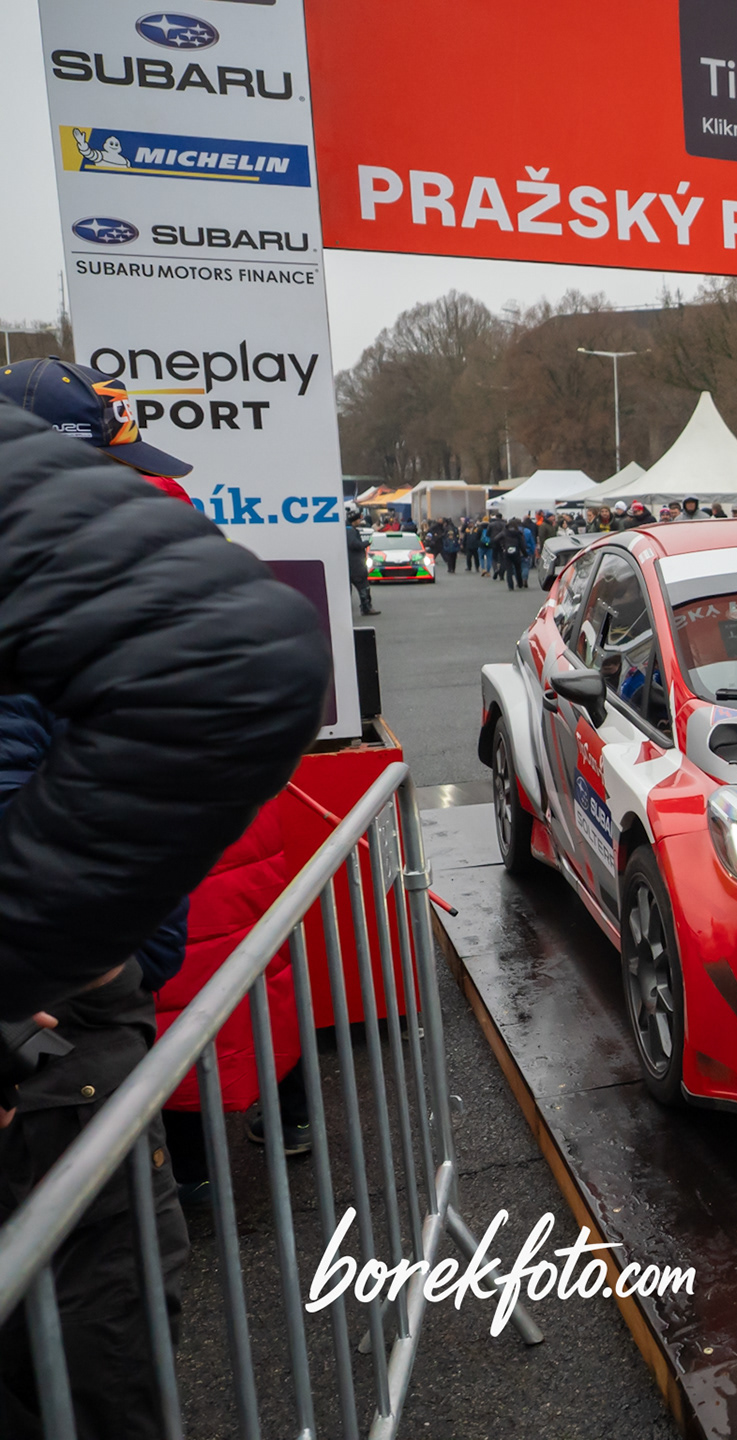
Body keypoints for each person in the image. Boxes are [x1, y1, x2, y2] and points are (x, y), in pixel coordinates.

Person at [0, 371, 330, 1440]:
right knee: (101, 1336)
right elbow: (238, 668)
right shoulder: (65, 620)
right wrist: (50, 965)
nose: (124, 489)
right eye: (108, 461)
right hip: (70, 1031)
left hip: (112, 1000)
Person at [345, 513, 379, 615]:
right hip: (356, 566)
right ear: (354, 521)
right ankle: (366, 608)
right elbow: (354, 544)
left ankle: (362, 608)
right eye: (358, 520)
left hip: (351, 565)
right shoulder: (350, 531)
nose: (360, 522)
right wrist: (366, 543)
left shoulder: (347, 530)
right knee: (364, 587)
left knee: (353, 588)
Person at [497, 518, 527, 590]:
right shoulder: (518, 533)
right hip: (516, 552)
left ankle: (510, 586)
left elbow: (496, 539)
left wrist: (502, 546)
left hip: (507, 552)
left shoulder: (504, 532)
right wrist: (525, 554)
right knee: (518, 569)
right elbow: (522, 545)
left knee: (509, 570)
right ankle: (520, 583)